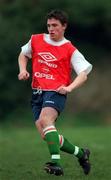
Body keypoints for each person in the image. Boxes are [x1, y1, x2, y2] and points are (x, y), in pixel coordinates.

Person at [18, 9, 92, 176]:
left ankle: (56, 163)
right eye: (49, 25)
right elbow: (23, 54)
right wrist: (23, 70)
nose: (51, 29)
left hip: (56, 92)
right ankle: (81, 153)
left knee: (46, 120)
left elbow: (83, 74)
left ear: (64, 26)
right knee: (47, 134)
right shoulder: (36, 39)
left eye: (55, 25)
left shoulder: (69, 49)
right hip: (37, 93)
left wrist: (69, 88)